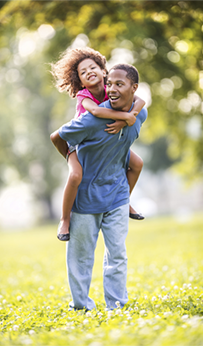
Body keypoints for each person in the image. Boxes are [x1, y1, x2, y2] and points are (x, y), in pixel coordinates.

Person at [51, 63, 147, 310]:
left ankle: (117, 306)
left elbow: (140, 106)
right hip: (86, 198)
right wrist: (72, 160)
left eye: (119, 84)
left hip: (116, 196)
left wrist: (128, 118)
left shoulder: (140, 115)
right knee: (81, 258)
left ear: (133, 88)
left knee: (118, 255)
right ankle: (82, 306)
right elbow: (57, 137)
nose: (113, 90)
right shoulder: (91, 119)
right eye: (111, 85)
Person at [50, 48, 145, 241]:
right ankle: (65, 219)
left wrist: (126, 119)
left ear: (104, 71)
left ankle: (123, 200)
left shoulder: (112, 89)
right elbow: (96, 112)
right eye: (83, 72)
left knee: (137, 164)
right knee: (76, 175)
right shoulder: (84, 96)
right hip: (77, 145)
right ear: (80, 81)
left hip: (103, 144)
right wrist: (124, 117)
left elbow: (140, 101)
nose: (88, 72)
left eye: (92, 67)